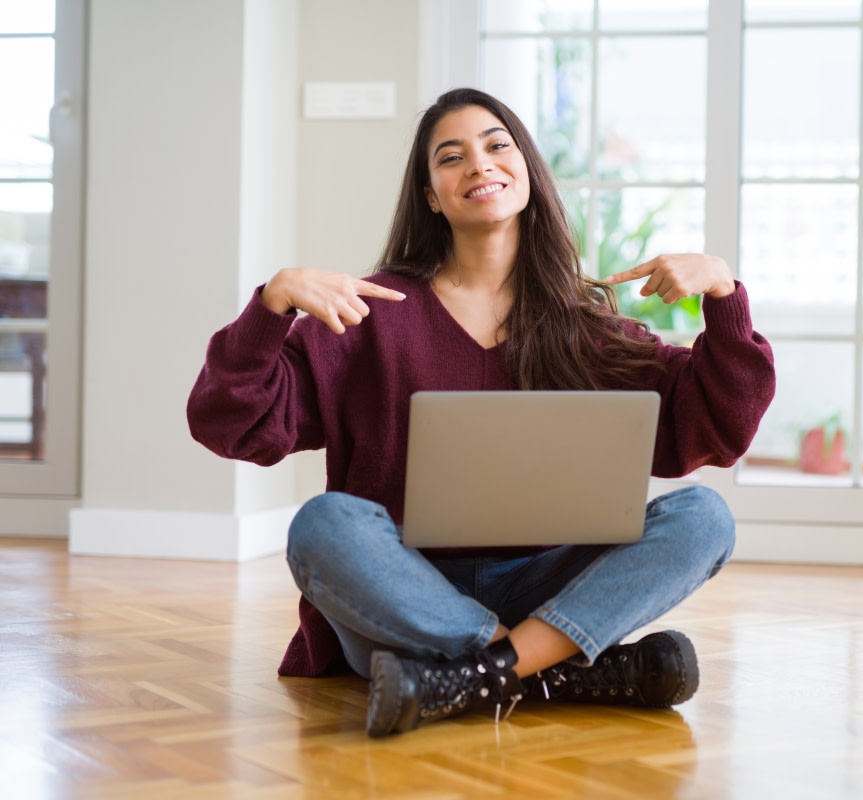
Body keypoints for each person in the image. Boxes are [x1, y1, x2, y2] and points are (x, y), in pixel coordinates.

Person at [187, 87, 775, 738]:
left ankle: (475, 677)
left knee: (704, 516)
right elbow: (231, 422)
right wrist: (271, 308)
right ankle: (553, 669)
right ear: (432, 196)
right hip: (402, 597)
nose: (480, 164)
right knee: (324, 524)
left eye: (497, 146)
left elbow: (717, 429)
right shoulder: (366, 315)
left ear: (526, 171)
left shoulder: (588, 328)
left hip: (549, 587)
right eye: (452, 156)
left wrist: (724, 295)